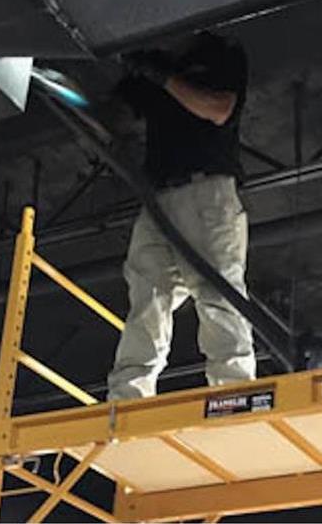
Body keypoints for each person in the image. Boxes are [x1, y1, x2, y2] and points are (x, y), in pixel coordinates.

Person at [106, 32, 256, 400]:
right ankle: (128, 398)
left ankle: (234, 393)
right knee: (147, 293)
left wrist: (162, 76)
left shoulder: (222, 57)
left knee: (216, 290)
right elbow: (112, 109)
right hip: (158, 196)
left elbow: (217, 109)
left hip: (205, 189)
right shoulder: (161, 74)